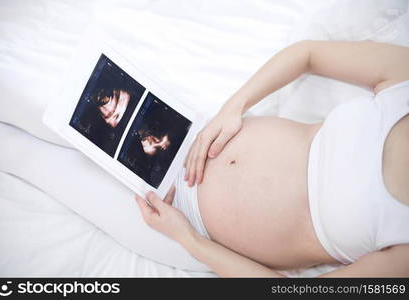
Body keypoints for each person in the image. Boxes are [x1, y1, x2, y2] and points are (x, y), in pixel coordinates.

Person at [135, 40, 409, 277]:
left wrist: (189, 239)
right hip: (201, 128)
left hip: (181, 225)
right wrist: (234, 107)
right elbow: (308, 54)